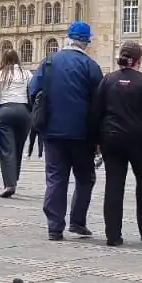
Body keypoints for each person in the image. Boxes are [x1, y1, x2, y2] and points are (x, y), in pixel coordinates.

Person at [88, 41, 142, 246]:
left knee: (114, 185)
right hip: (138, 140)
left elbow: (96, 112)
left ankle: (113, 235)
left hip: (111, 139)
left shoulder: (108, 80)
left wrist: (96, 139)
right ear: (139, 60)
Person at [27, 22, 102, 240]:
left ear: (67, 38)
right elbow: (99, 102)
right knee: (85, 178)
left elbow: (33, 91)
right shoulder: (91, 66)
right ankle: (77, 221)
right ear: (86, 42)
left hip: (52, 131)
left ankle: (54, 226)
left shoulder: (49, 62)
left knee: (55, 178)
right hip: (82, 133)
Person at [0, 48, 32, 197]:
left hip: (5, 112)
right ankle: (15, 178)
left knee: (7, 149)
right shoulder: (27, 74)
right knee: (18, 148)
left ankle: (9, 184)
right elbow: (32, 91)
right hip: (24, 112)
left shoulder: (0, 74)